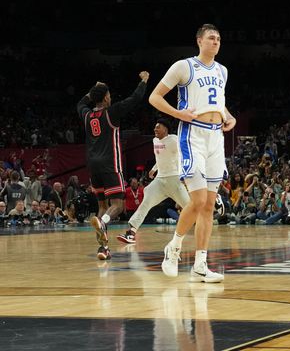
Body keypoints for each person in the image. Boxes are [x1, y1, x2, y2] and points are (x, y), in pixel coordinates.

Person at [150, 24, 236, 283]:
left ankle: (200, 264)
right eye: (211, 38)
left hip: (215, 138)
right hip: (193, 135)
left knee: (209, 205)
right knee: (197, 201)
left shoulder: (222, 70)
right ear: (199, 41)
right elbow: (155, 97)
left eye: (219, 38)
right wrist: (178, 114)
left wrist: (228, 116)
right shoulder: (183, 66)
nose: (216, 42)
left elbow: (218, 101)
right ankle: (173, 248)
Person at [77, 71, 149, 260]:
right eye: (108, 94)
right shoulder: (112, 112)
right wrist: (143, 81)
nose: (110, 97)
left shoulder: (86, 115)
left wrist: (91, 91)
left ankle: (103, 249)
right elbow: (135, 98)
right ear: (106, 97)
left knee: (102, 205)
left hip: (92, 165)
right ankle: (103, 222)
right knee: (118, 204)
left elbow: (81, 104)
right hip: (110, 163)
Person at [117, 119, 192, 244]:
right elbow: (161, 157)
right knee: (145, 203)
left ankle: (207, 219)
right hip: (160, 180)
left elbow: (182, 156)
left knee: (190, 207)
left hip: (174, 179)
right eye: (155, 127)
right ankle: (131, 233)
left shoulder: (173, 140)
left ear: (165, 129)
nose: (155, 129)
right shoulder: (155, 141)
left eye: (158, 127)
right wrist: (153, 169)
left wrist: (183, 173)